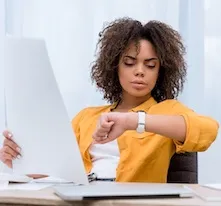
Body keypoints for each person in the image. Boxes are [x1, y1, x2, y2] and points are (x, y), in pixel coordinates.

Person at [0, 17, 219, 182]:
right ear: (114, 67)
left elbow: (208, 130)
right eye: (130, 62)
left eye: (150, 65)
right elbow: (61, 171)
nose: (140, 71)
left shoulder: (168, 111)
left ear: (161, 71)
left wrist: (133, 122)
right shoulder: (87, 117)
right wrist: (20, 162)